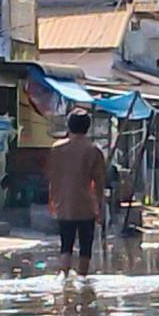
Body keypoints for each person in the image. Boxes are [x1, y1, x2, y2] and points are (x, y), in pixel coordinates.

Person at [48, 109, 105, 281]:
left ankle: (64, 278)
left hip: (65, 204)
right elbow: (99, 183)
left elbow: (54, 177)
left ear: (69, 126)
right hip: (86, 205)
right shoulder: (94, 150)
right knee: (85, 247)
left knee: (66, 245)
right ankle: (82, 280)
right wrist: (99, 207)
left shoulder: (57, 149)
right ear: (88, 127)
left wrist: (52, 200)